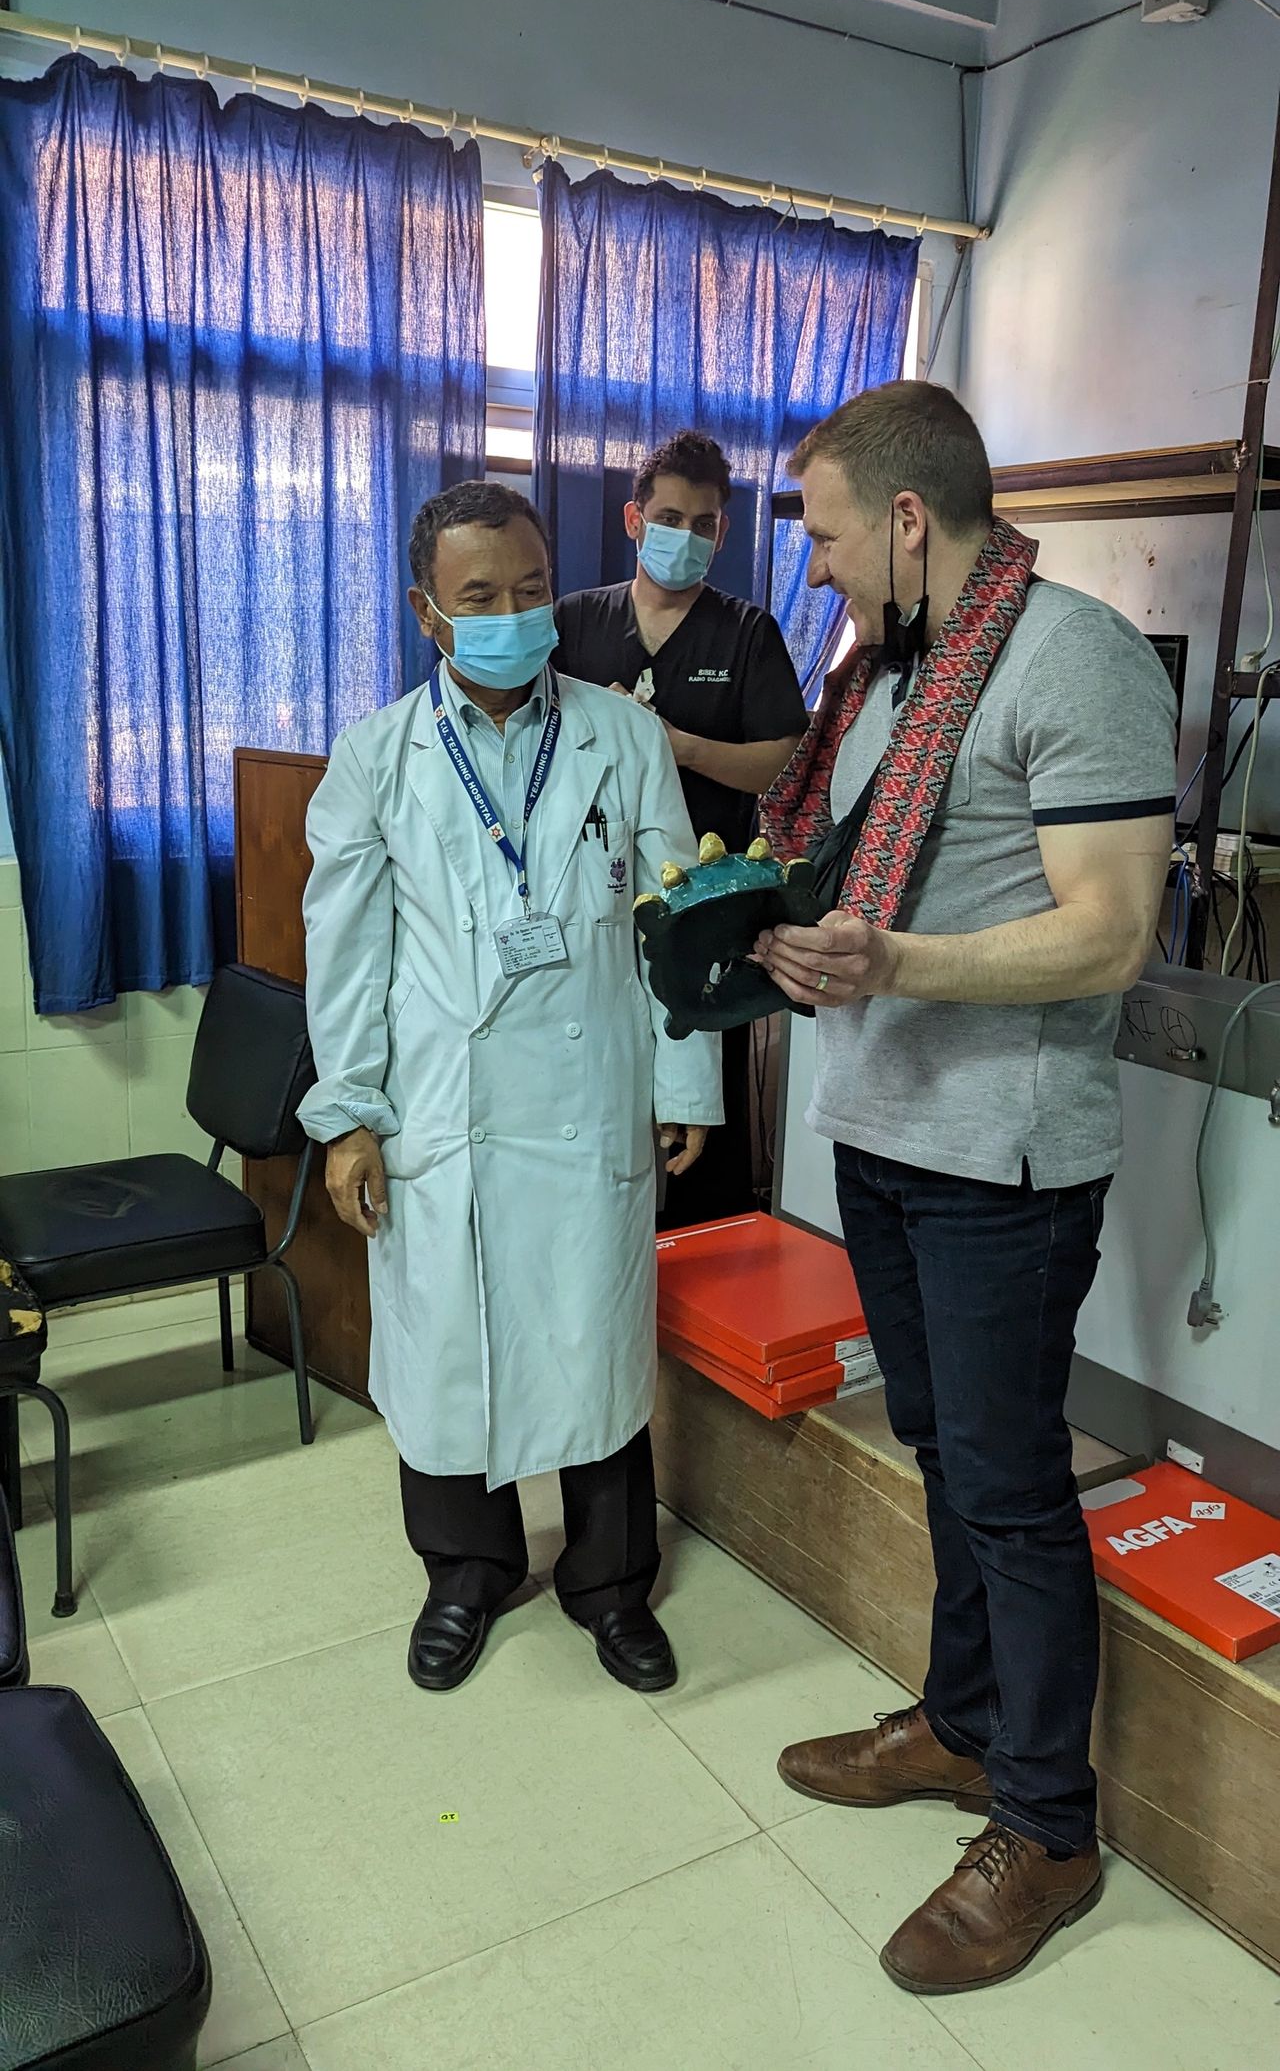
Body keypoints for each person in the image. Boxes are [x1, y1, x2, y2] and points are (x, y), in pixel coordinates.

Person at [753, 382, 1175, 1994]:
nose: (824, 567)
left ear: (912, 521)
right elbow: (856, 873)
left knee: (1008, 1484)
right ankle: (963, 1727)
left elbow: (1113, 929)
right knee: (943, 1453)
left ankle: (1050, 1827)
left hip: (1001, 1156)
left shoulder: (1076, 661)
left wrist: (896, 958)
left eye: (837, 533)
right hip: (882, 1127)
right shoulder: (890, 675)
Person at [298, 480, 722, 1697]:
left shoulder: (619, 732)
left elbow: (674, 917)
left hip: (589, 1092)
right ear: (429, 613)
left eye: (532, 591)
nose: (512, 615)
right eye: (480, 597)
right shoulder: (377, 757)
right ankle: (464, 1571)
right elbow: (347, 958)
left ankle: (607, 1581)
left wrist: (684, 1072)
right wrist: (347, 1117)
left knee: (592, 1337)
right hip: (443, 1108)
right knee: (445, 1348)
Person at [554, 430, 807, 1223]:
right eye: (670, 517)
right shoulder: (577, 621)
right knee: (593, 1082)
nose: (687, 537)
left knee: (697, 1101)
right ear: (634, 520)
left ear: (723, 532)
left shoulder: (746, 633)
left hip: (709, 906)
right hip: (589, 898)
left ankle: (702, 1268)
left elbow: (776, 762)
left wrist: (673, 747)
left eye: (704, 524)